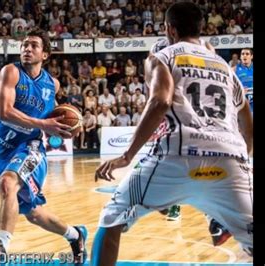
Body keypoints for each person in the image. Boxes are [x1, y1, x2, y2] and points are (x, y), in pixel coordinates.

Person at [91, 3, 253, 265]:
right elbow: (246, 117)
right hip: (229, 159)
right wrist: (244, 156)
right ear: (202, 29)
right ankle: (216, 217)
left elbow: (160, 102)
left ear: (169, 29)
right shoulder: (225, 67)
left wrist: (126, 156)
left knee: (112, 217)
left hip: (178, 155)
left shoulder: (162, 57)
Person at [0, 29, 88, 264]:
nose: (27, 48)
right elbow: (4, 113)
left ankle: (0, 247)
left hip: (31, 147)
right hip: (5, 148)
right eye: (24, 45)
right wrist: (44, 123)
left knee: (7, 183)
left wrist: (69, 127)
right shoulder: (11, 72)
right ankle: (76, 235)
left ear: (45, 54)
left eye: (34, 45)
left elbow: (55, 118)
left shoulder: (52, 84)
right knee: (33, 213)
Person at [148, 21, 231, 246]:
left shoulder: (159, 51)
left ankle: (186, 208)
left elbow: (155, 89)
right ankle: (214, 216)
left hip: (181, 117)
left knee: (169, 172)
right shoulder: (207, 48)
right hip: (206, 120)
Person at [233, 48, 253, 113]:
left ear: (251, 56)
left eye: (247, 54)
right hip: (242, 102)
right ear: (240, 57)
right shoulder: (234, 69)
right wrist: (239, 91)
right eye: (242, 54)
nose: (244, 56)